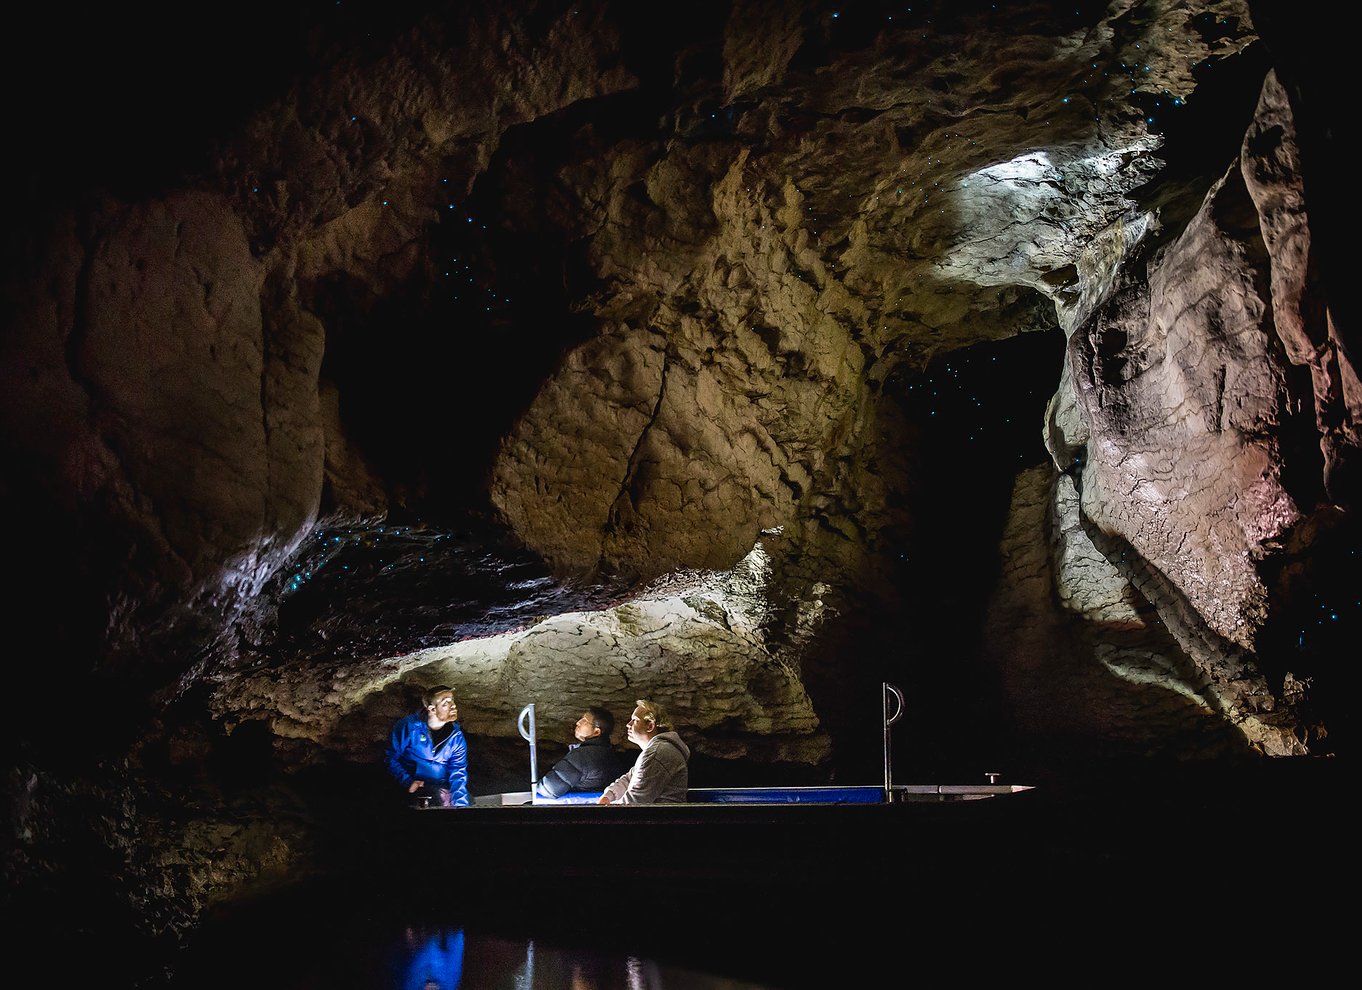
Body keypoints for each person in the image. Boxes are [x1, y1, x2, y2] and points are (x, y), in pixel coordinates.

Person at [384, 685, 470, 807]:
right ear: (432, 709)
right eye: (446, 703)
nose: (454, 706)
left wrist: (461, 808)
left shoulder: (456, 737)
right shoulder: (409, 727)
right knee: (431, 799)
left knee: (468, 801)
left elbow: (458, 771)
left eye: (453, 701)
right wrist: (408, 782)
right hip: (415, 785)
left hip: (442, 788)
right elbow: (391, 757)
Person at [598, 699, 690, 805]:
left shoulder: (657, 753)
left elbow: (635, 801)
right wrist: (609, 795)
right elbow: (630, 778)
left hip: (661, 819)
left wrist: (604, 810)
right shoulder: (657, 750)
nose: (628, 724)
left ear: (650, 726)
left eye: (635, 720)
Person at [536, 706, 626, 798]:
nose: (578, 723)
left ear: (596, 732)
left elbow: (549, 789)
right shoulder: (610, 753)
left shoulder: (582, 756)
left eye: (584, 721)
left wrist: (534, 787)